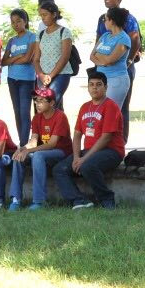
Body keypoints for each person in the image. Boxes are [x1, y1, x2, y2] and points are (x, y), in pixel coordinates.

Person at [53, 71, 125, 209]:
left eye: (98, 85)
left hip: (111, 151)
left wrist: (84, 159)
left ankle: (107, 199)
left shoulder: (111, 106)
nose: (94, 88)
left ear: (106, 87)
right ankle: (80, 200)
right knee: (59, 169)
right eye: (91, 85)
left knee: (87, 166)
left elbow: (106, 138)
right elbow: (77, 134)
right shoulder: (85, 107)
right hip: (89, 151)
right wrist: (76, 157)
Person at [8, 86, 72, 211]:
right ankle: (16, 199)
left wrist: (29, 151)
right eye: (36, 100)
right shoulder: (37, 117)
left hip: (62, 152)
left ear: (52, 103)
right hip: (45, 152)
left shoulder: (60, 116)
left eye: (42, 101)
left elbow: (52, 144)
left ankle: (39, 201)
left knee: (38, 155)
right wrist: (22, 149)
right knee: (18, 157)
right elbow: (33, 141)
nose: (37, 104)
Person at [96, 0, 141, 142]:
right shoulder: (102, 19)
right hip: (103, 70)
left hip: (122, 69)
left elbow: (135, 40)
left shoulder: (129, 19)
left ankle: (120, 142)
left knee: (121, 108)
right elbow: (97, 44)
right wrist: (99, 62)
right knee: (101, 106)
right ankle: (102, 142)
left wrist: (129, 60)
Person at [2, 8, 40, 146]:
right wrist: (18, 57)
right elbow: (3, 62)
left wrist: (13, 59)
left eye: (18, 21)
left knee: (25, 112)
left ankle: (24, 144)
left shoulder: (32, 37)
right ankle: (21, 142)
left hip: (27, 80)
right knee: (17, 112)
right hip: (12, 79)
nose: (15, 24)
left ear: (25, 21)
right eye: (13, 22)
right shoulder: (11, 40)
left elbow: (28, 58)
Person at [89, 7, 132, 113]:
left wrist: (100, 56)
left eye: (105, 19)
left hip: (116, 80)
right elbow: (91, 56)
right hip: (100, 80)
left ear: (112, 21)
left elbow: (110, 60)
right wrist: (104, 61)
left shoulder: (124, 38)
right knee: (98, 112)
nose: (104, 22)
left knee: (111, 113)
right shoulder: (105, 36)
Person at [34, 0, 75, 110]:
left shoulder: (64, 32)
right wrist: (41, 75)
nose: (43, 18)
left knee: (50, 104)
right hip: (42, 76)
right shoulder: (40, 34)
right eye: (41, 15)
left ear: (54, 14)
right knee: (43, 107)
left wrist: (50, 76)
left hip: (61, 74)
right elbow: (36, 59)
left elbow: (65, 57)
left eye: (45, 14)